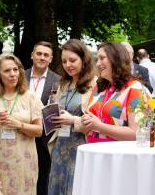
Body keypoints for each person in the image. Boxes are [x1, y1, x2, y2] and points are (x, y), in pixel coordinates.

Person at [0, 53, 43, 194]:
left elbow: (39, 131)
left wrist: (19, 124)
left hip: (24, 163)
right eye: (7, 71)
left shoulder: (30, 97)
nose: (13, 74)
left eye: (15, 69)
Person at [48, 39, 96, 195]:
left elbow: (96, 121)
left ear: (84, 59)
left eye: (72, 60)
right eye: (64, 61)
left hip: (81, 146)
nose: (68, 64)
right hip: (60, 146)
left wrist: (72, 120)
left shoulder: (95, 84)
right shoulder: (64, 84)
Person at [81, 42, 147, 142]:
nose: (98, 64)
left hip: (116, 155)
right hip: (93, 152)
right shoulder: (99, 87)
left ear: (116, 59)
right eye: (97, 59)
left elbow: (136, 134)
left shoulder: (134, 88)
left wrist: (100, 126)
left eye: (102, 58)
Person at [25, 41, 60, 195]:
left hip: (45, 137)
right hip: (22, 134)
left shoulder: (59, 81)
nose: (42, 57)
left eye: (46, 55)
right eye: (39, 54)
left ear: (51, 59)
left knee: (43, 178)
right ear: (32, 55)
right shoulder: (19, 76)